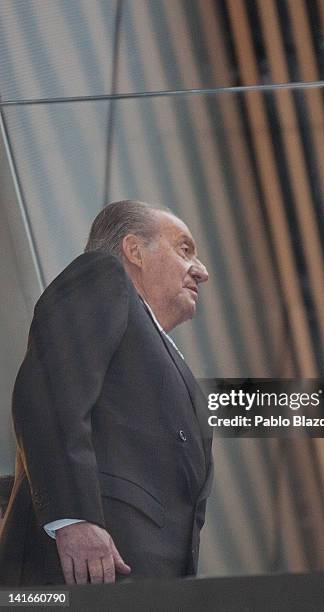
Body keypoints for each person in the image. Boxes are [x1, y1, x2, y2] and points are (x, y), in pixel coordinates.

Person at [0, 200, 213, 586]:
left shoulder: (164, 355)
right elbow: (49, 395)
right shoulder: (103, 275)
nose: (201, 271)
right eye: (185, 250)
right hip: (83, 572)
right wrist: (74, 519)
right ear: (134, 251)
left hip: (145, 585)